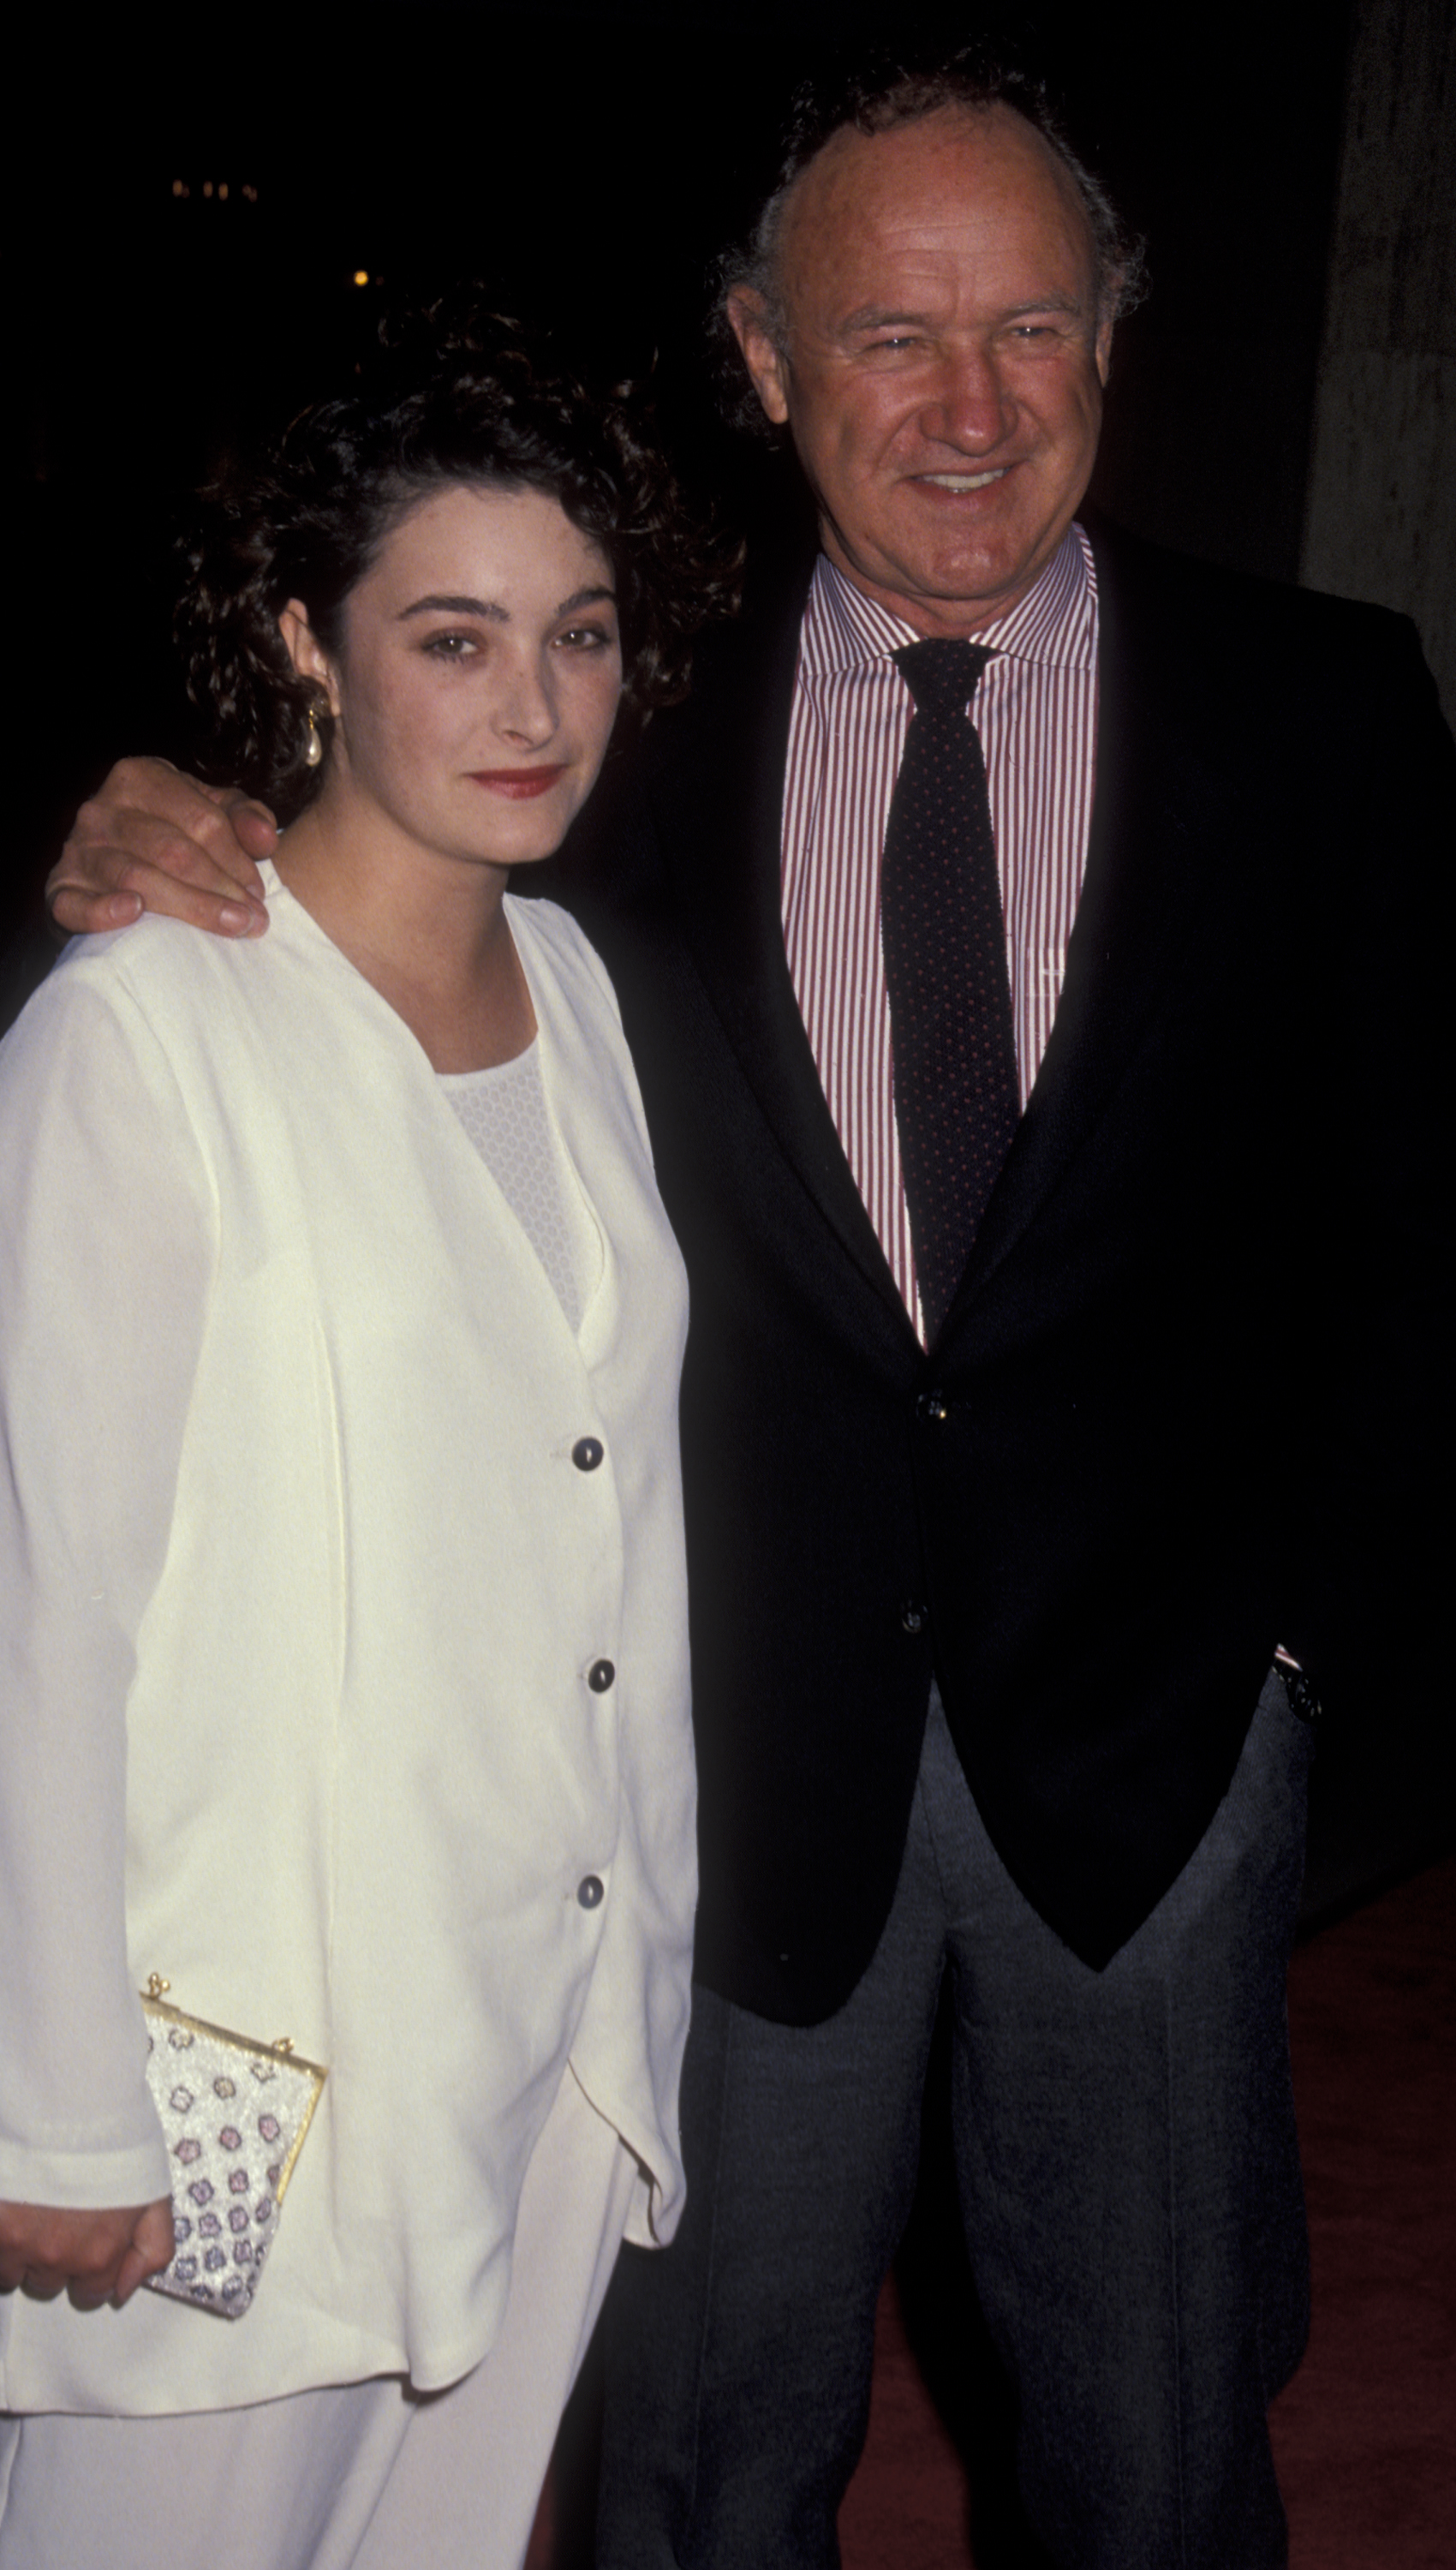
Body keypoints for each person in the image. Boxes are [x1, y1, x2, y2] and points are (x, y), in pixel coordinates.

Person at [42, 55, 1452, 2570]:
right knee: (699, 2468)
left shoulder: (1320, 709)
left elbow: (1427, 1224)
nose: (969, 404)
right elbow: (354, 885)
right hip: (707, 1788)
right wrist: (180, 801)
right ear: (756, 353)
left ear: (1113, 341)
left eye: (1031, 325)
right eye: (887, 335)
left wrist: (1292, 1657)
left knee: (1152, 2454)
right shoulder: (607, 726)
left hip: (1155, 1759)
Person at [0, 321, 724, 2570]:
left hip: (542, 2037)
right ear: (306, 642)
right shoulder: (146, 1027)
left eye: (578, 637)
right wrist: (50, 2104)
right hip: (244, 2075)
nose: (531, 709)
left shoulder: (582, 985)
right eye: (453, 636)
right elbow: (40, 1592)